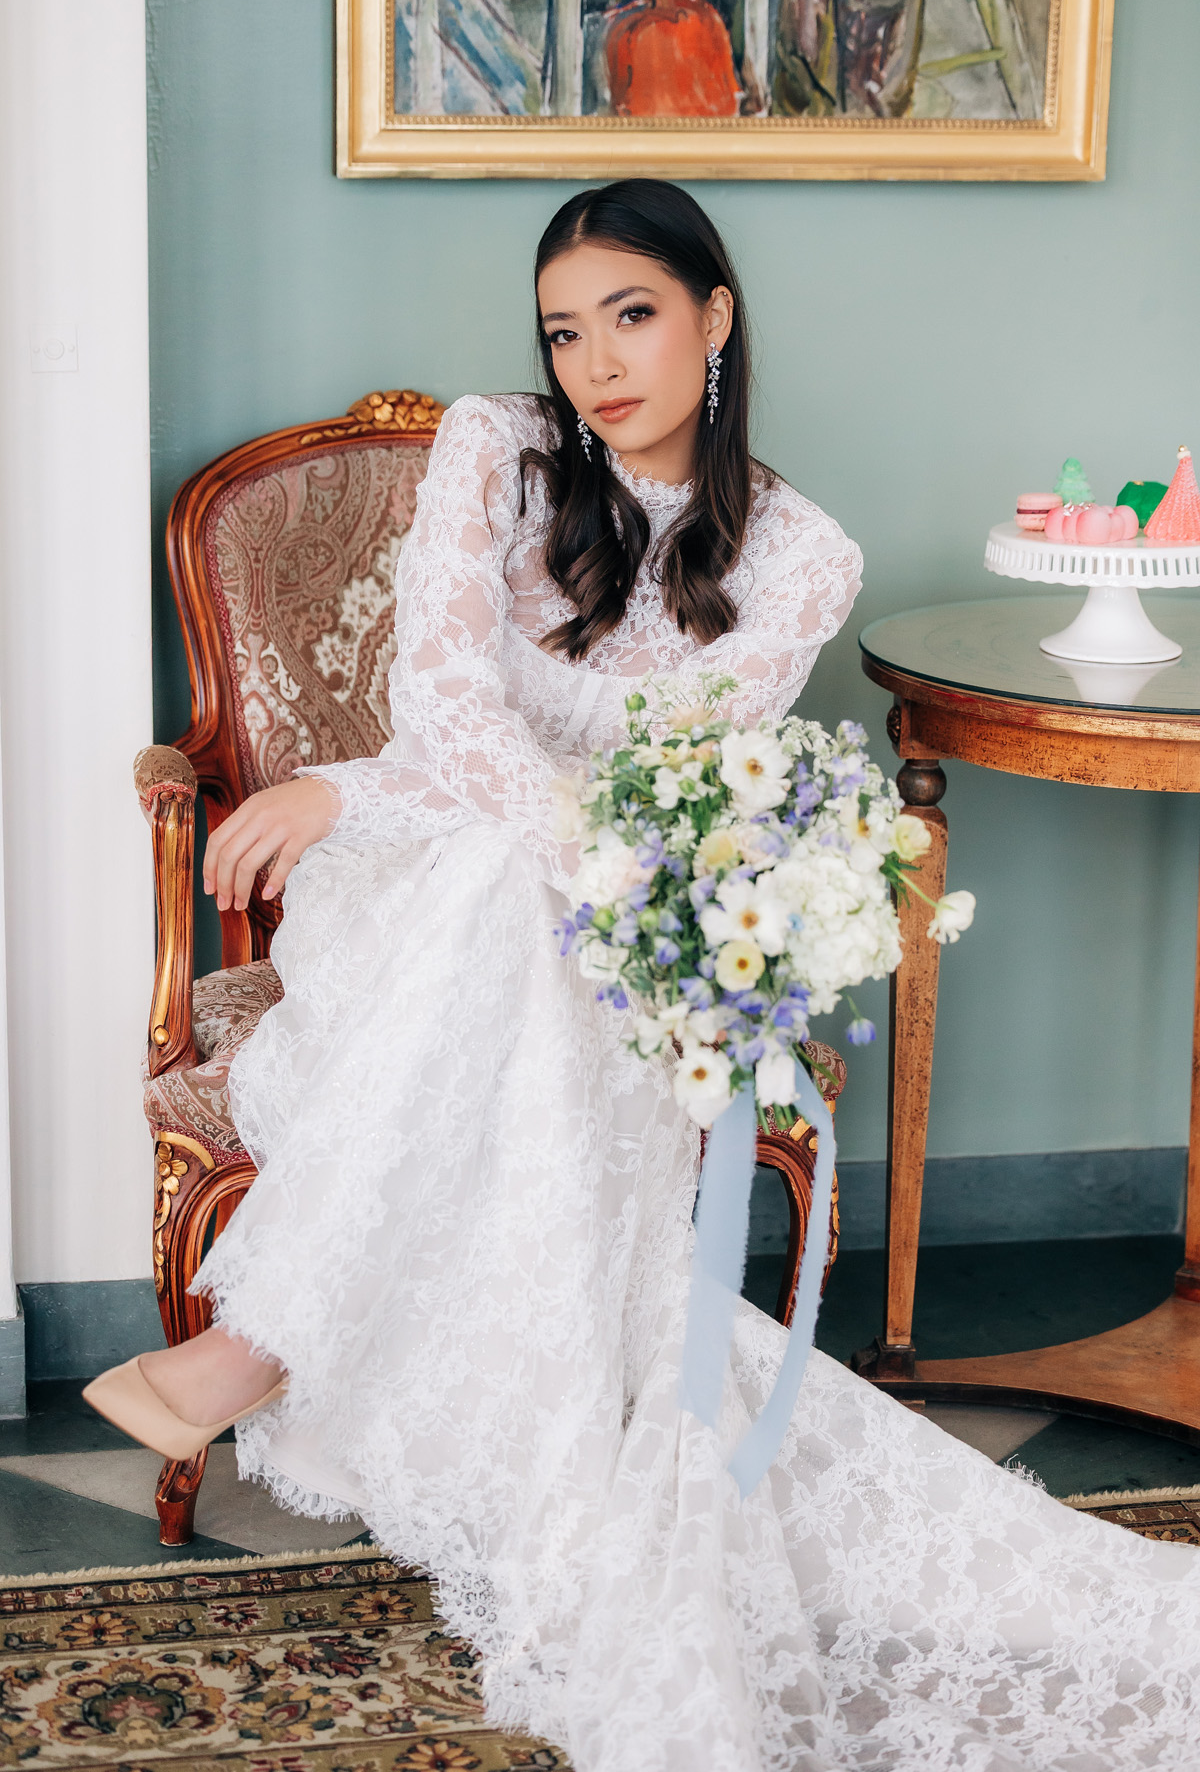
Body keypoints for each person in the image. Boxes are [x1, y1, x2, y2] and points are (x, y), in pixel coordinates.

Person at [85, 181, 1200, 1770]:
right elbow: (448, 712)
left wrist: (585, 857)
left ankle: (271, 1330)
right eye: (566, 326)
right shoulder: (494, 451)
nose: (596, 359)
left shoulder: (803, 553)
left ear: (714, 317)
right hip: (431, 878)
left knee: (537, 908)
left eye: (633, 314)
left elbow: (693, 765)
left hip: (622, 905)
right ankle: (271, 1337)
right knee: (499, 885)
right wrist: (376, 801)